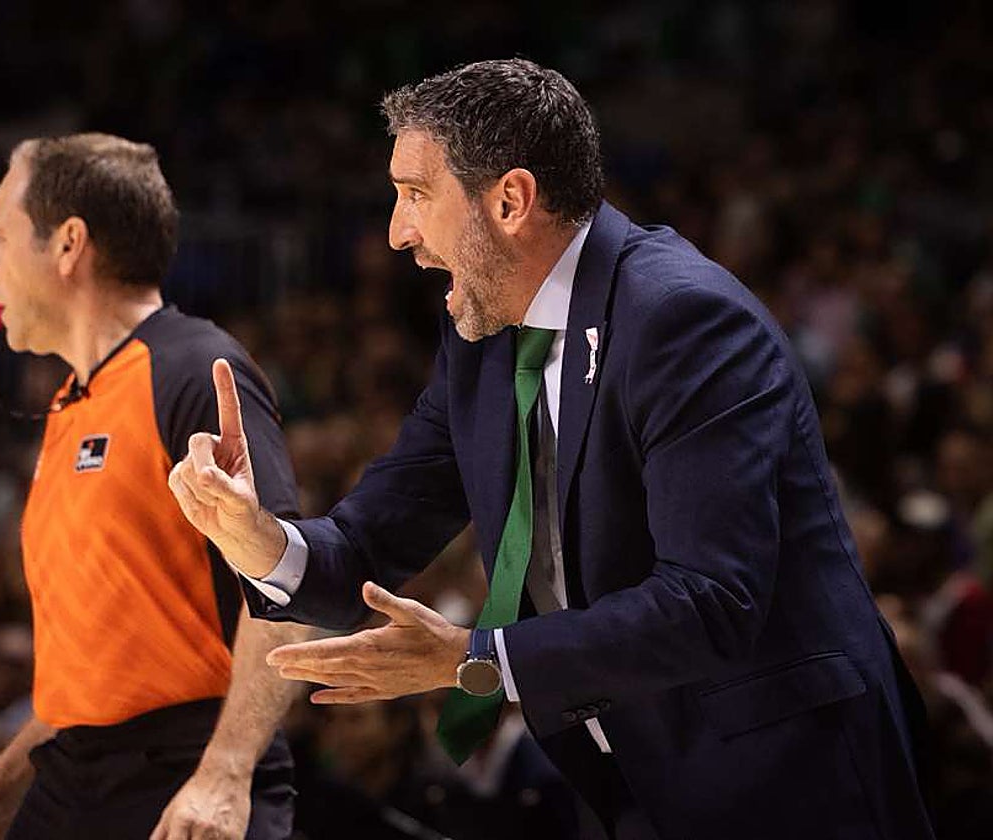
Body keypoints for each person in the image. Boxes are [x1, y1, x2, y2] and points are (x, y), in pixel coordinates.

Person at [168, 60, 937, 839]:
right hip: (626, 776)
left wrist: (474, 658)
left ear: (510, 200)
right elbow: (371, 539)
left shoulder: (684, 318)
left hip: (785, 771)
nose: (399, 231)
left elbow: (711, 601)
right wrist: (258, 539)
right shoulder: (485, 331)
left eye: (415, 194)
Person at [0, 133, 309, 840]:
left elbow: (293, 587)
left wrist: (224, 772)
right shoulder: (72, 399)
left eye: (0, 237)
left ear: (68, 244)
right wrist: (6, 780)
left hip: (183, 772)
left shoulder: (194, 368)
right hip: (70, 775)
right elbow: (104, 654)